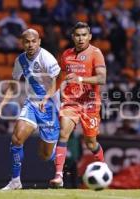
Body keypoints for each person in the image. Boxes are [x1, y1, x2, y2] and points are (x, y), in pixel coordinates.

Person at [0, 29, 61, 190]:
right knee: (16, 139)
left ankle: (60, 156)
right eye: (27, 41)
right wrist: (1, 106)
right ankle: (15, 181)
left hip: (50, 107)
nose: (30, 44)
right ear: (22, 43)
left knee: (44, 156)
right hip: (32, 104)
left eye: (33, 41)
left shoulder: (47, 58)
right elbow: (13, 85)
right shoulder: (20, 60)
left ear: (39, 42)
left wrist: (45, 98)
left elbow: (56, 83)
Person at [50, 22, 106, 187]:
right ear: (73, 37)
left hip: (90, 103)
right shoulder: (66, 54)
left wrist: (81, 79)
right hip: (71, 102)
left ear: (89, 36)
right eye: (77, 35)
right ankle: (59, 176)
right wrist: (60, 88)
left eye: (84, 35)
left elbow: (102, 78)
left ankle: (102, 167)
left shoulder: (96, 53)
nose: (81, 38)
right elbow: (63, 76)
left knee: (91, 143)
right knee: (63, 134)